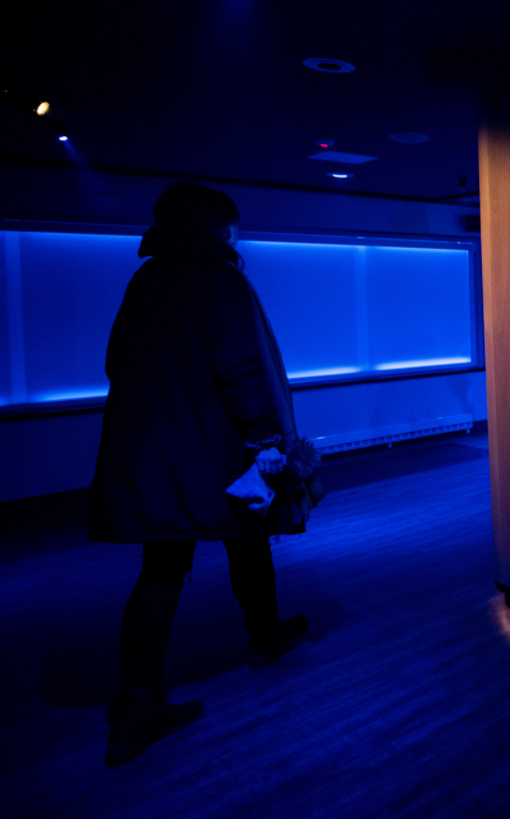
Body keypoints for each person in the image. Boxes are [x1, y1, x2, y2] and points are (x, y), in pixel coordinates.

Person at [88, 183, 323, 765]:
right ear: (214, 227)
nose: (237, 236)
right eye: (231, 226)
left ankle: (135, 705)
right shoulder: (220, 281)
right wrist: (267, 440)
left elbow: (115, 361)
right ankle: (265, 639)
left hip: (152, 448)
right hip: (215, 444)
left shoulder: (144, 280)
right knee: (248, 540)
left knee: (162, 568)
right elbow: (239, 369)